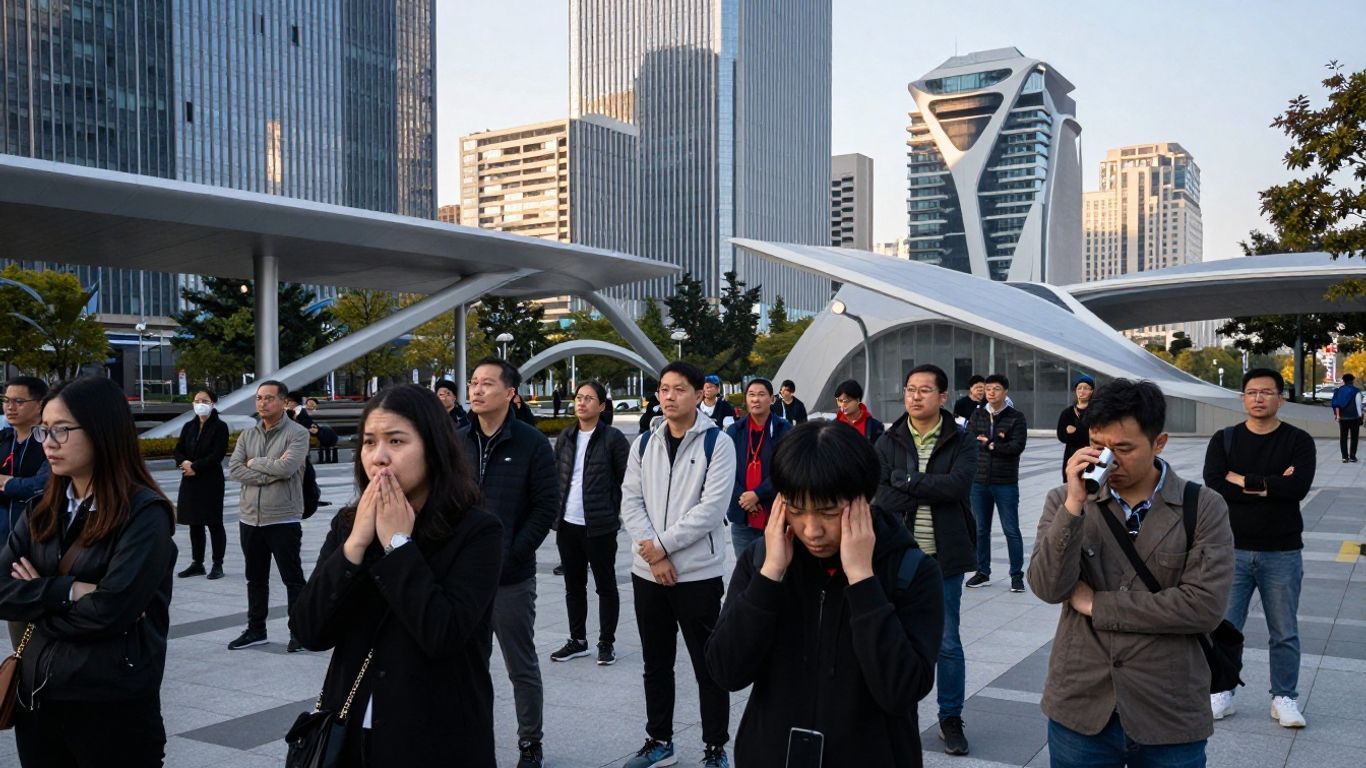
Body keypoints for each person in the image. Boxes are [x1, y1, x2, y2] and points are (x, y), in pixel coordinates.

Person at [706, 420, 943, 767]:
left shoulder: (911, 571)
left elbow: (901, 691)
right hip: (771, 754)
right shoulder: (761, 561)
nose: (812, 530)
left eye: (829, 512)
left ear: (865, 499)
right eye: (797, 510)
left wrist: (862, 579)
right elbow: (726, 671)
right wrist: (770, 576)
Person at [290, 384, 503, 766]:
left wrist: (399, 546)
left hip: (436, 737)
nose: (379, 457)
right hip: (349, 735)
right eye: (369, 442)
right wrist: (355, 545)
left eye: (397, 441)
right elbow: (308, 630)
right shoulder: (349, 526)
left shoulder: (476, 530)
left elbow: (443, 634)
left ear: (433, 448)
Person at [1029, 378, 1233, 767]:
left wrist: (1097, 605)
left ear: (1159, 443)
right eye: (1098, 446)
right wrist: (1074, 507)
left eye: (1123, 448)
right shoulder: (1064, 499)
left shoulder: (1202, 506)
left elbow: (1203, 607)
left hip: (1168, 708)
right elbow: (1047, 586)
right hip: (1081, 703)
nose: (1109, 460)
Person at [0, 376, 177, 766]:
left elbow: (110, 613)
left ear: (102, 431)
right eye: (45, 430)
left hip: (111, 707)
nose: (48, 442)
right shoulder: (39, 510)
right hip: (37, 700)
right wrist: (68, 590)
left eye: (61, 430)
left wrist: (35, 597)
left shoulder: (145, 515)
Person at [621, 361, 735, 768]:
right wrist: (653, 555)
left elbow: (711, 509)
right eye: (663, 389)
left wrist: (663, 548)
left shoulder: (717, 443)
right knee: (656, 662)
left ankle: (715, 746)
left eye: (678, 390)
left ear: (697, 393)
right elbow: (630, 501)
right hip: (647, 573)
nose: (668, 397)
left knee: (709, 664)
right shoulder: (644, 443)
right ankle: (659, 740)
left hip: (696, 575)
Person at [873, 364, 979, 756]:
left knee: (947, 641)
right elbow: (880, 496)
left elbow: (957, 487)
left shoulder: (961, 440)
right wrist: (921, 487)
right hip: (899, 556)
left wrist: (906, 481)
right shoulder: (888, 439)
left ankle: (950, 718)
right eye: (909, 389)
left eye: (924, 390)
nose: (915, 396)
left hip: (944, 557)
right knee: (893, 636)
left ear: (943, 397)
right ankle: (894, 710)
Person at [458, 357, 558, 768]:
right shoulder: (458, 441)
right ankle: (471, 737)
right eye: (473, 383)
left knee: (521, 665)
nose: (476, 390)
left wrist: (512, 554)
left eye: (486, 383)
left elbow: (545, 506)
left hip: (510, 578)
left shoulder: (532, 442)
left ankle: (529, 743)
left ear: (510, 393)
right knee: (467, 665)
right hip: (462, 579)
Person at [1204, 368, 1316, 727]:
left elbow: (1296, 488)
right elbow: (1215, 485)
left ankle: (1284, 697)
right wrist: (1269, 485)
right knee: (1223, 626)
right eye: (1252, 392)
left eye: (1267, 392)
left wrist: (1243, 480)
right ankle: (1220, 691)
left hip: (1282, 551)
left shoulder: (1298, 440)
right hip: (1230, 549)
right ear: (1243, 398)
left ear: (1280, 398)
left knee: (1284, 630)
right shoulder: (1224, 439)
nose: (1258, 398)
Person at [227, 380, 311, 652]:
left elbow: (287, 468)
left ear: (284, 402)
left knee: (292, 578)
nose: (262, 403)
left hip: (283, 518)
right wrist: (266, 474)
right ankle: (256, 630)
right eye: (259, 398)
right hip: (250, 518)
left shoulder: (297, 433)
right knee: (255, 578)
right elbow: (235, 469)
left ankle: (299, 632)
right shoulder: (247, 435)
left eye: (269, 398)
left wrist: (256, 464)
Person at [549, 381, 629, 666]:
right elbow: (556, 476)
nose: (581, 403)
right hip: (568, 524)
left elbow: (627, 482)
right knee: (574, 586)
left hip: (600, 526)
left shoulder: (613, 438)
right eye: (579, 398)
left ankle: (606, 642)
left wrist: (613, 511)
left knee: (605, 586)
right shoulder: (566, 436)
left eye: (589, 398)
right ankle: (577, 640)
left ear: (602, 406)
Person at [964, 374, 1027, 591]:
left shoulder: (1016, 417)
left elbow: (1016, 447)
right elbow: (969, 440)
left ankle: (1017, 575)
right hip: (979, 482)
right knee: (981, 529)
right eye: (988, 389)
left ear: (1005, 392)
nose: (991, 393)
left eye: (996, 389)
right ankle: (982, 572)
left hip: (1005, 482)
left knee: (1011, 529)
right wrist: (988, 444)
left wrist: (991, 445)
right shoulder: (978, 413)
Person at [723, 378, 791, 559]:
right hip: (741, 514)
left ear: (772, 399)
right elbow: (725, 470)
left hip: (774, 513)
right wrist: (743, 498)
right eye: (751, 395)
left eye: (761, 395)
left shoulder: (783, 429)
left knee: (774, 570)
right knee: (744, 573)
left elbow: (785, 470)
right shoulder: (734, 431)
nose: (756, 400)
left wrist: (758, 494)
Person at [174, 389, 230, 580]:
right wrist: (184, 463)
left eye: (204, 400)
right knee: (194, 523)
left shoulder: (220, 427)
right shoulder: (189, 426)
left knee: (214, 522)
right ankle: (197, 563)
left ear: (213, 403)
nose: (200, 403)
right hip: (190, 480)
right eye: (197, 400)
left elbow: (217, 454)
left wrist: (195, 466)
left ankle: (217, 564)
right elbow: (178, 450)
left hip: (210, 480)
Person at [0, 376, 50, 543]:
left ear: (40, 405)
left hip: (36, 532)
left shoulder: (52, 441)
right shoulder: (4, 438)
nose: (10, 407)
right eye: (6, 400)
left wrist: (8, 484)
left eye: (19, 401)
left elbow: (44, 484)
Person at [1055, 374, 1095, 482]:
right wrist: (1083, 433)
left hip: (1090, 456)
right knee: (1071, 485)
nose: (1082, 391)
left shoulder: (1095, 412)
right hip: (1071, 456)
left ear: (1092, 391)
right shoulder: (1067, 413)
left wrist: (1075, 432)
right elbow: (1062, 436)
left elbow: (1093, 436)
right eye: (1079, 388)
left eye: (1086, 388)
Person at [834, 379, 885, 444]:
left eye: (847, 401)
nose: (843, 405)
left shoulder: (875, 426)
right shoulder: (832, 427)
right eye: (840, 401)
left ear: (858, 400)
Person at [1330, 372, 1361, 462]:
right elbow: (1358, 405)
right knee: (1354, 437)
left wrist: (1337, 415)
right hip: (1354, 418)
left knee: (1343, 437)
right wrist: (1360, 416)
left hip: (1342, 418)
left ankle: (1344, 457)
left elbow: (1335, 404)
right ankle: (1352, 456)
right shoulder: (1356, 391)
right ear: (1352, 381)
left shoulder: (1338, 391)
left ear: (1343, 381)